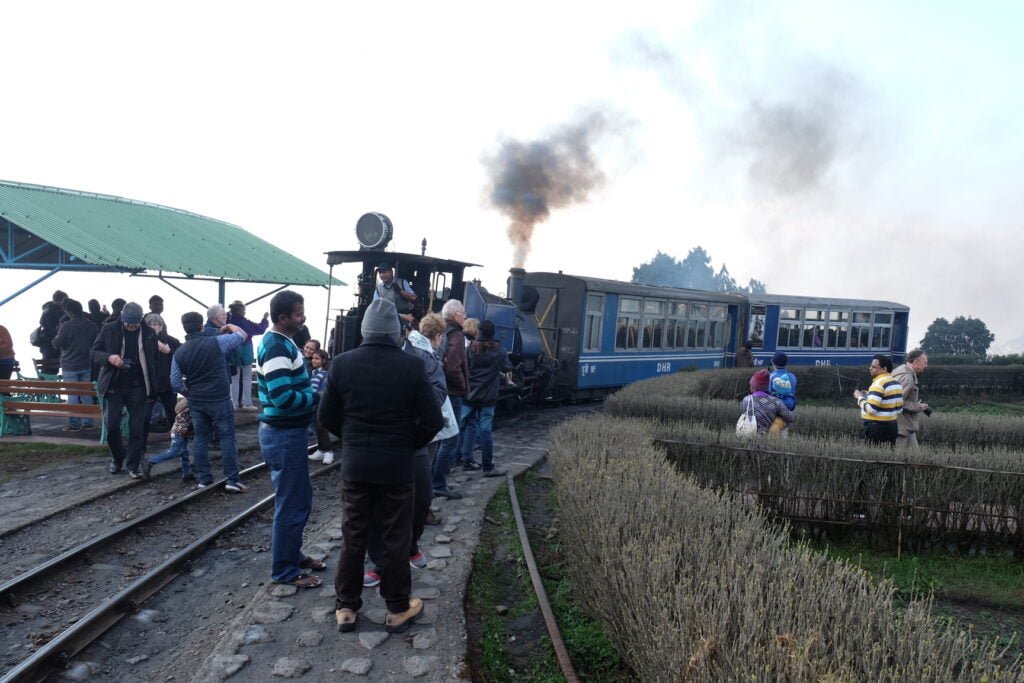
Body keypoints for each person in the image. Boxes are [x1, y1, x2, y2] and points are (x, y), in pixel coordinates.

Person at [319, 298, 443, 634]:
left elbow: (325, 416)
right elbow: (433, 419)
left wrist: (353, 439)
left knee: (353, 536)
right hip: (396, 467)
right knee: (396, 537)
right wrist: (407, 442)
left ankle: (346, 607)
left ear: (364, 330)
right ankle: (398, 608)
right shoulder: (412, 367)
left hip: (356, 466)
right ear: (395, 331)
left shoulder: (342, 365)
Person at [363, 315, 453, 587]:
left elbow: (438, 391)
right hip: (378, 443)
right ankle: (380, 562)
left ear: (400, 333)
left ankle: (411, 543)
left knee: (421, 499)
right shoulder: (362, 358)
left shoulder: (422, 358)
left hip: (415, 440)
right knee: (377, 506)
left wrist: (413, 410)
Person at [256, 290, 323, 589]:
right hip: (283, 434)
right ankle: (284, 570)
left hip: (288, 434)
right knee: (291, 503)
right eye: (298, 313)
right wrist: (315, 397)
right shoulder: (275, 348)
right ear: (283, 318)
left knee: (298, 498)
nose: (303, 317)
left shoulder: (283, 343)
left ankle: (292, 555)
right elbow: (282, 398)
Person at [171, 311, 249, 492]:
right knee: (227, 438)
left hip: (197, 401)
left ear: (184, 328)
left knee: (200, 439)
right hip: (220, 399)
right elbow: (242, 335)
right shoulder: (216, 342)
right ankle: (232, 480)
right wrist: (229, 326)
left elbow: (174, 382)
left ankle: (204, 479)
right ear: (201, 326)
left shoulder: (179, 353)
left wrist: (188, 393)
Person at [91, 302, 158, 478]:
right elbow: (94, 352)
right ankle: (117, 457)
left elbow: (153, 361)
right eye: (128, 322)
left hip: (139, 387)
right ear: (122, 318)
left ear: (141, 320)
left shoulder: (149, 334)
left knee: (137, 428)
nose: (131, 326)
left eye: (135, 323)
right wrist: (109, 358)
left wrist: (155, 386)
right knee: (111, 425)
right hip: (114, 385)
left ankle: (133, 464)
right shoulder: (108, 329)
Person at [461, 320, 513, 476]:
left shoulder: (469, 349)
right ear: (492, 333)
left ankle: (459, 459)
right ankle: (488, 467)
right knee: (485, 431)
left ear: (478, 332)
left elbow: (465, 368)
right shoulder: (499, 351)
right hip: (488, 396)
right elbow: (507, 367)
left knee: (460, 426)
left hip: (470, 394)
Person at [433, 299, 472, 497]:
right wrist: (463, 386)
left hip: (440, 390)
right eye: (463, 313)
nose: (465, 316)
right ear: (456, 315)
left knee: (440, 438)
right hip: (453, 394)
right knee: (451, 438)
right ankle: (438, 483)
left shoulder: (442, 332)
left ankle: (433, 479)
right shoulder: (457, 337)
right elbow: (452, 368)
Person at [52, 299, 99, 430]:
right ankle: (88, 421)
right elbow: (96, 343)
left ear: (69, 311)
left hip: (69, 364)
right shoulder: (91, 325)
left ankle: (74, 423)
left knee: (72, 394)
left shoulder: (66, 326)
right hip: (86, 363)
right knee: (86, 393)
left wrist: (56, 336)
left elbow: (57, 344)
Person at [142, 313, 181, 457]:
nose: (153, 327)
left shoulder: (171, 341)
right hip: (149, 385)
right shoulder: (142, 342)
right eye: (150, 324)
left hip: (167, 384)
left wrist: (168, 351)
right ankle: (141, 446)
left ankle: (178, 442)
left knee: (173, 414)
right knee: (145, 417)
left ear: (161, 326)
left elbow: (182, 353)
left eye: (156, 324)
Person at [227, 301, 269, 411]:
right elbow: (259, 329)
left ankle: (234, 403)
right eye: (243, 310)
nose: (245, 312)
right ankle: (247, 403)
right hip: (246, 352)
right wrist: (265, 319)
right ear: (240, 311)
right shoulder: (244, 322)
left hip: (232, 352)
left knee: (234, 379)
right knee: (246, 378)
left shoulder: (228, 321)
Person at [853, 355, 904, 446]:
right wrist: (870, 394)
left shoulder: (878, 384)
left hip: (875, 430)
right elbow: (899, 409)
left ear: (884, 369)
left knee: (871, 457)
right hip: (892, 428)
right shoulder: (897, 383)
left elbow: (871, 409)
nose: (870, 368)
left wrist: (859, 397)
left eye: (873, 367)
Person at [142, 397, 194, 481]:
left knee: (185, 452)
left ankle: (187, 473)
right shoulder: (192, 403)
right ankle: (150, 461)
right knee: (174, 451)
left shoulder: (187, 400)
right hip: (180, 431)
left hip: (181, 431)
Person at [892, 349, 930, 450]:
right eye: (925, 362)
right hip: (901, 427)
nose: (926, 366)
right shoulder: (907, 378)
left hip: (905, 426)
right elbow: (896, 402)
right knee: (900, 460)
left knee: (915, 460)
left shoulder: (899, 371)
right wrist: (918, 406)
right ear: (916, 362)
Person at [740, 369, 795, 435]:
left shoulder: (746, 400)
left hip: (749, 435)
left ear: (754, 387)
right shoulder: (776, 402)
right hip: (769, 440)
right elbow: (791, 418)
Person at [307, 349, 335, 465]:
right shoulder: (314, 373)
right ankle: (321, 449)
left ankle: (328, 451)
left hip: (320, 403)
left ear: (324, 360)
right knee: (316, 427)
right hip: (314, 403)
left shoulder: (324, 374)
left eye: (317, 358)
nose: (314, 360)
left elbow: (323, 391)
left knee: (321, 427)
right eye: (313, 358)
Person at [768, 352, 797, 434]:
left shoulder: (770, 377)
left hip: (773, 414)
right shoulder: (793, 377)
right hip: (788, 413)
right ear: (786, 363)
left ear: (773, 364)